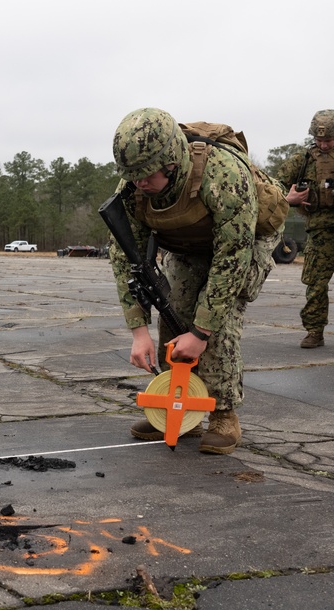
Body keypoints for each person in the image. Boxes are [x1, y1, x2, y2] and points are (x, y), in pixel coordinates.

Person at [107, 108, 282, 454]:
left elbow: (231, 259)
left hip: (245, 240)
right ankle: (179, 410)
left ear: (171, 163)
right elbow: (125, 257)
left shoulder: (224, 174)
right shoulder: (134, 183)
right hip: (189, 242)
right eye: (133, 176)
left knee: (218, 317)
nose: (139, 183)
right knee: (173, 311)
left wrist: (201, 333)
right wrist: (138, 330)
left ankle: (222, 413)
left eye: (146, 176)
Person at [278, 110, 334, 349]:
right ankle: (314, 331)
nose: (323, 145)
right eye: (319, 140)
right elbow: (273, 188)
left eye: (328, 140)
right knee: (315, 284)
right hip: (320, 232)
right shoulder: (302, 161)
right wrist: (289, 198)